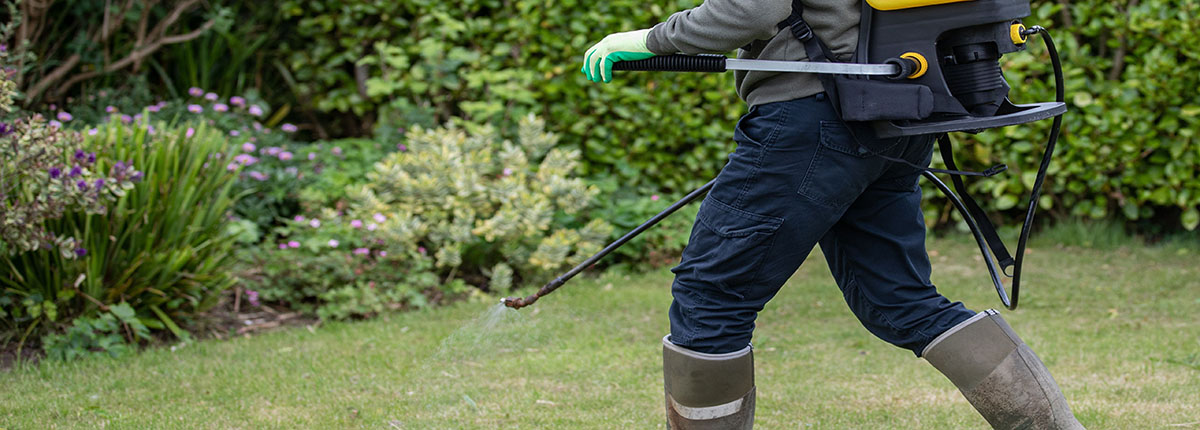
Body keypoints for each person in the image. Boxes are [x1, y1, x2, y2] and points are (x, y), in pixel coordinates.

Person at [580, 1, 1086, 429]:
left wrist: (647, 38)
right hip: (892, 114)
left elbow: (750, 9)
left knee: (712, 295)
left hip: (809, 120)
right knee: (901, 301)